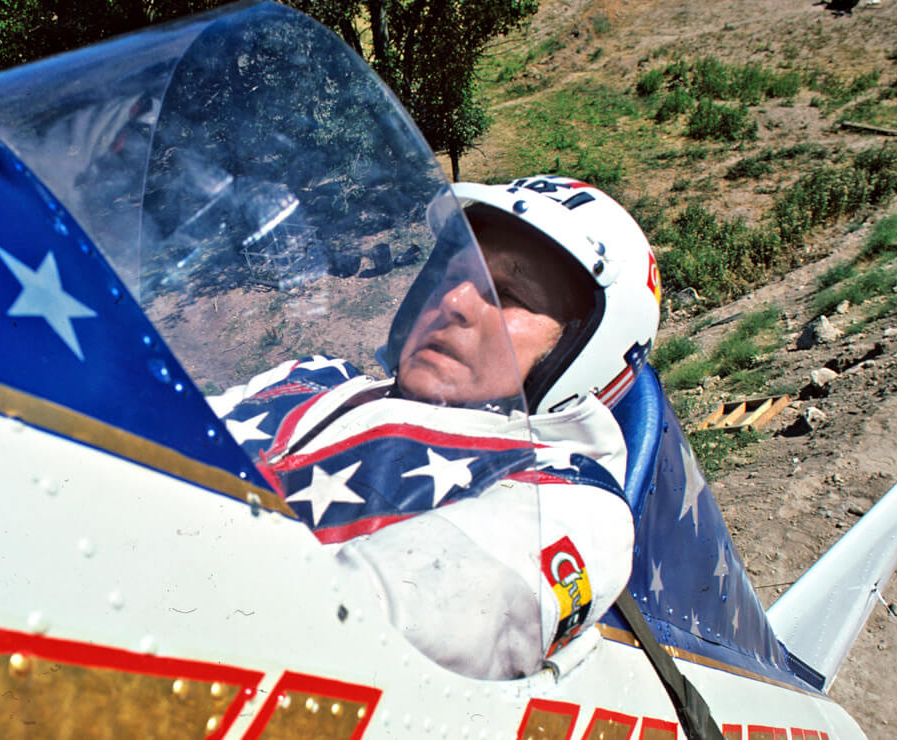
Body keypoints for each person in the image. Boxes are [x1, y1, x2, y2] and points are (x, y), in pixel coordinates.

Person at [208, 175, 661, 679]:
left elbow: (395, 620)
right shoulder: (306, 379)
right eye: (452, 275)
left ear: (585, 350)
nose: (456, 301)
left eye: (508, 294)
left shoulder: (574, 500)